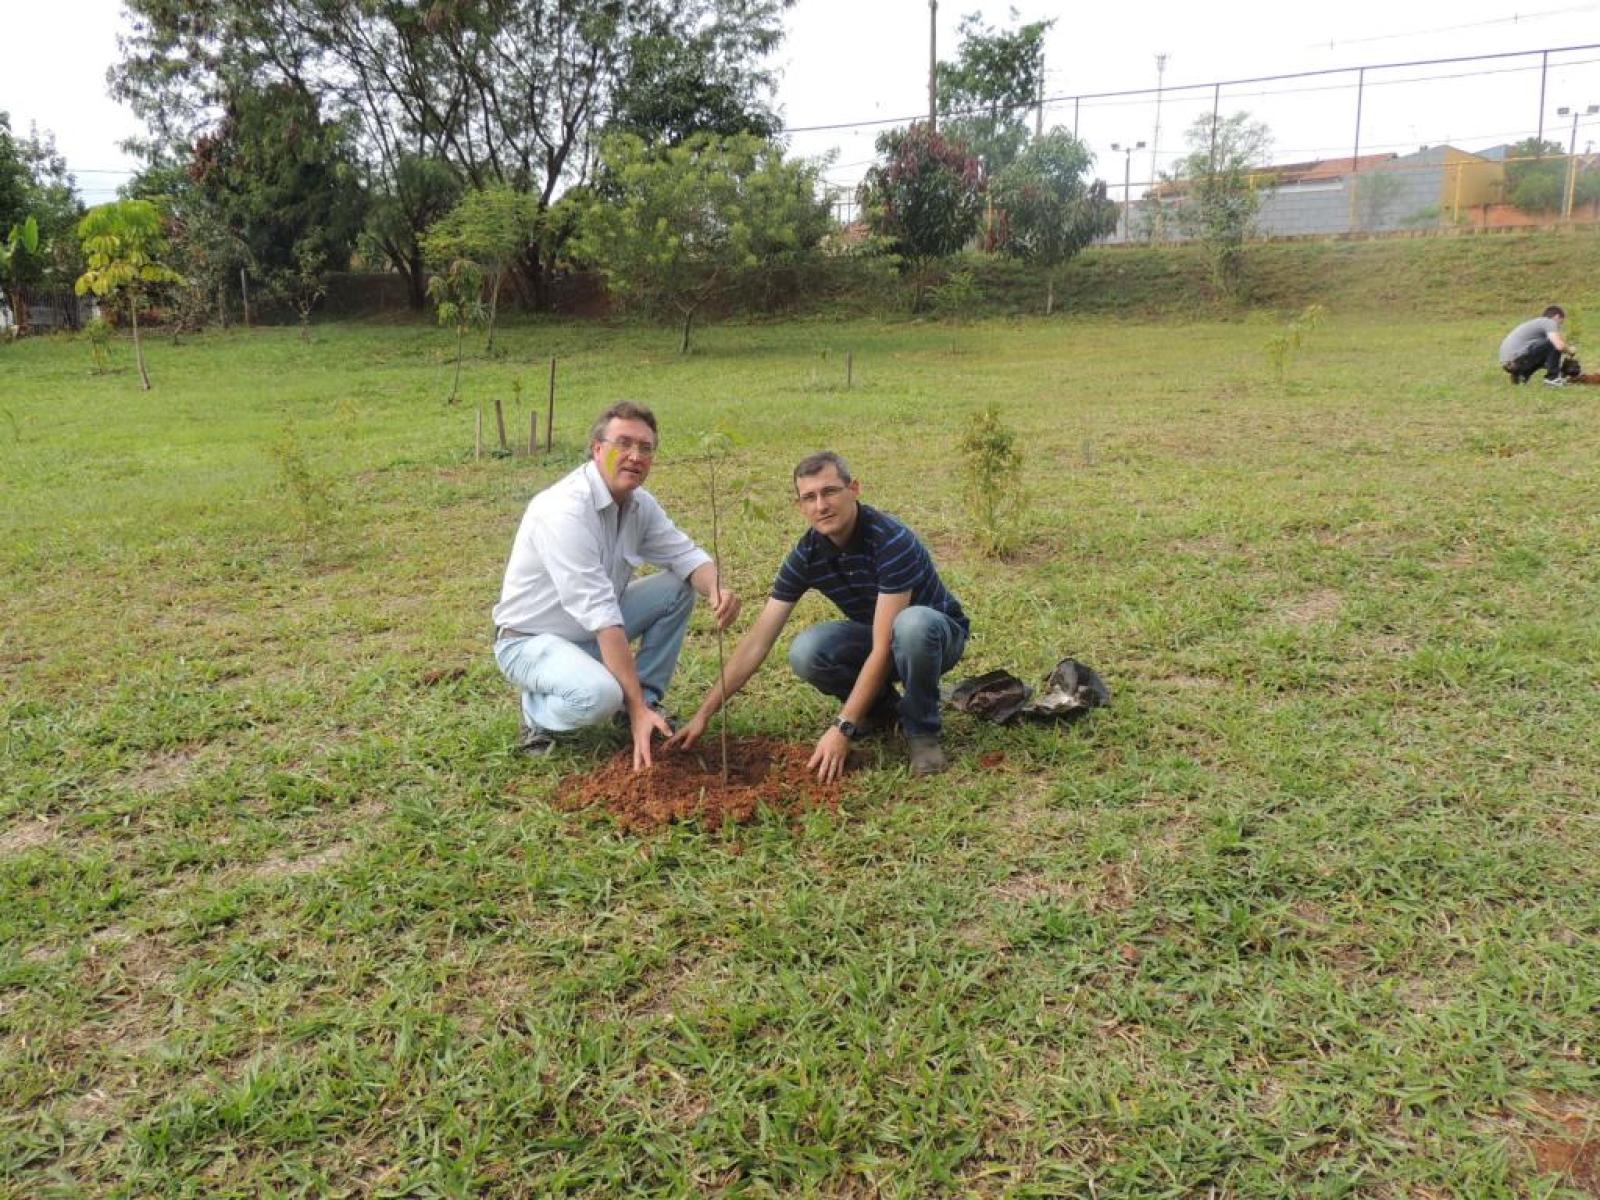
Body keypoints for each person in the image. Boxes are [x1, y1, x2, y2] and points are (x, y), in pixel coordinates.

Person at [668, 451, 969, 780]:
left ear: (854, 489)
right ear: (799, 506)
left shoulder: (891, 541)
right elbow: (757, 641)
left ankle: (922, 731)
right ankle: (883, 711)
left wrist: (843, 727)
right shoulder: (808, 554)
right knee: (807, 651)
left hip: (935, 639)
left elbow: (884, 648)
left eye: (830, 491)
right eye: (809, 497)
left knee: (911, 625)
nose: (821, 506)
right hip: (880, 636)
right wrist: (704, 714)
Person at [492, 401, 740, 769]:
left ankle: (644, 703)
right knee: (598, 696)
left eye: (645, 448)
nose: (635, 456)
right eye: (623, 443)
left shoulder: (639, 505)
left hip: (589, 632)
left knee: (677, 587)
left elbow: (686, 556)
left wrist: (716, 589)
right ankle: (537, 714)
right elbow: (602, 615)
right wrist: (632, 703)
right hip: (530, 641)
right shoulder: (565, 510)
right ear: (597, 449)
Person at [1500, 305, 1572, 386]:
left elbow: (1548, 358)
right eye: (1560, 323)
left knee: (1547, 350)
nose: (1559, 327)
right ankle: (1553, 379)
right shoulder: (1549, 322)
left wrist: (1560, 366)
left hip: (1508, 363)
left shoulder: (1537, 323)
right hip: (1516, 360)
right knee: (1551, 343)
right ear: (1557, 316)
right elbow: (1559, 346)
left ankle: (1521, 375)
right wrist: (1570, 351)